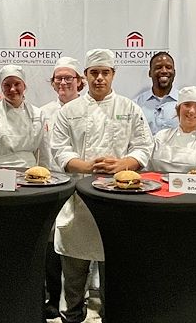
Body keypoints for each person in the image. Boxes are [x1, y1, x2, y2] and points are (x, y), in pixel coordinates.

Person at [51, 48, 153, 323]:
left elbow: (144, 147)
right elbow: (59, 149)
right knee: (73, 275)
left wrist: (124, 165)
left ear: (113, 75)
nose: (99, 78)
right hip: (78, 203)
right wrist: (86, 167)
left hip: (118, 201)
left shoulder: (129, 109)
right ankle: (71, 316)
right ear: (85, 76)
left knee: (115, 275)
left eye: (104, 73)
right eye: (93, 73)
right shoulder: (69, 111)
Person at [39, 56, 85, 320]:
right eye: (59, 78)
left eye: (70, 78)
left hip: (80, 186)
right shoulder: (43, 112)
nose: (64, 82)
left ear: (80, 82)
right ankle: (53, 298)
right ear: (52, 83)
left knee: (78, 248)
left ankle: (79, 300)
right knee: (51, 248)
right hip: (51, 185)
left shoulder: (89, 109)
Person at [0, 64, 49, 168]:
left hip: (29, 173)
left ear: (24, 86)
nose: (12, 89)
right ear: (1, 87)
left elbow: (44, 151)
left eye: (17, 84)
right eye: (7, 85)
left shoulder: (37, 114)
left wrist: (46, 174)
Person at [134, 51, 178, 134]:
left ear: (174, 73)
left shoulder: (184, 103)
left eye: (168, 67)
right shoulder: (137, 104)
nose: (164, 71)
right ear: (150, 73)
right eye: (158, 67)